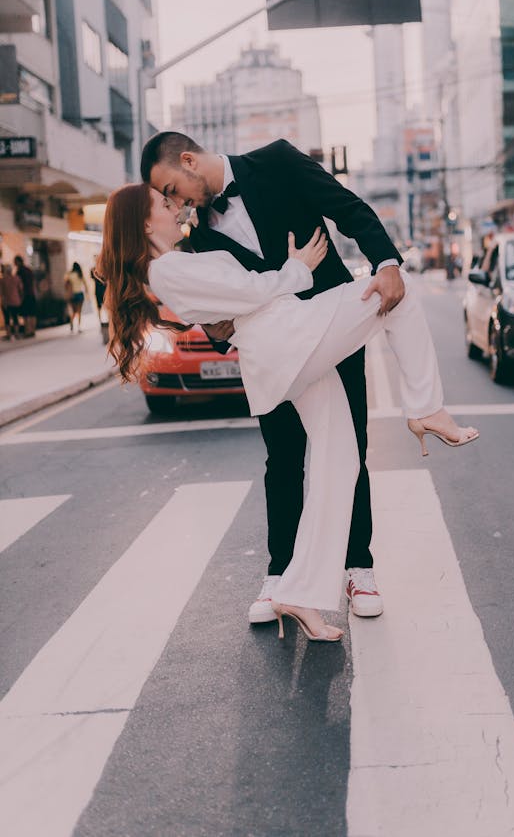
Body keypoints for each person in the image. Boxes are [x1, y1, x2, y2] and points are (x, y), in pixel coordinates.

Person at [97, 183, 478, 643]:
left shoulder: (174, 265)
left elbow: (237, 300)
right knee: (393, 290)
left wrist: (274, 282)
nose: (175, 207)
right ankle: (426, 409)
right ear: (142, 223)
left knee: (340, 461)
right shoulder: (169, 268)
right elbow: (251, 290)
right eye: (163, 204)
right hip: (291, 336)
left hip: (284, 349)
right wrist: (298, 268)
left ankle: (300, 592)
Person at [141, 132, 406, 624]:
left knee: (352, 447)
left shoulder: (278, 161)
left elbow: (347, 208)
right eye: (167, 199)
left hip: (330, 329)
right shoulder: (195, 233)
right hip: (272, 354)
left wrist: (386, 262)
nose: (175, 203)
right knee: (282, 457)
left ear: (188, 160)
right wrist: (218, 333)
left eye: (172, 188)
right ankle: (280, 574)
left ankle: (358, 566)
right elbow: (219, 300)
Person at [14, 255, 36, 337]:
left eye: (15, 262)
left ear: (18, 262)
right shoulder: (29, 270)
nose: (14, 264)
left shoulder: (20, 271)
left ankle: (27, 331)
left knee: (26, 314)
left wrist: (20, 296)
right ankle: (32, 330)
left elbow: (19, 285)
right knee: (32, 314)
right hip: (32, 294)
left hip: (25, 295)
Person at [0, 263, 23, 340]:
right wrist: (20, 298)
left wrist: (3, 301)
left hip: (6, 302)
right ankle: (16, 334)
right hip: (16, 301)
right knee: (15, 317)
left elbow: (1, 292)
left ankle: (9, 334)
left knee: (7, 319)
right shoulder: (16, 278)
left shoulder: (3, 280)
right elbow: (21, 289)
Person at [64, 261, 88, 333]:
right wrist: (87, 293)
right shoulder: (80, 274)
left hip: (72, 295)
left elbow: (65, 284)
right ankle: (79, 327)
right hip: (80, 294)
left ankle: (71, 324)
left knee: (74, 311)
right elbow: (85, 284)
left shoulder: (69, 274)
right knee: (79, 311)